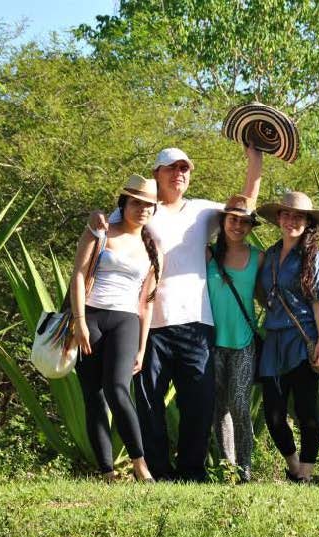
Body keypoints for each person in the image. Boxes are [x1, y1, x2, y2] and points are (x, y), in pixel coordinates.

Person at [91, 145, 262, 481]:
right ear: (157, 173)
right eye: (171, 168)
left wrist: (255, 160)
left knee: (198, 403)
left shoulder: (203, 212)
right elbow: (103, 229)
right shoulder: (142, 209)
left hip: (198, 323)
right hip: (150, 324)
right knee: (150, 403)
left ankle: (192, 471)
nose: (178, 174)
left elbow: (245, 206)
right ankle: (158, 470)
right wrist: (93, 218)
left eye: (184, 169)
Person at [71, 175, 161, 482]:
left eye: (149, 205)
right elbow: (79, 276)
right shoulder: (100, 231)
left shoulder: (153, 249)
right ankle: (107, 471)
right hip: (91, 317)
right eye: (137, 202)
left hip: (125, 321)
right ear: (123, 203)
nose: (142, 209)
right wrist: (80, 320)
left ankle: (140, 464)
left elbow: (146, 304)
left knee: (118, 389)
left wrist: (142, 346)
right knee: (93, 395)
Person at [255, 192, 319, 483]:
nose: (291, 221)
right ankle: (294, 466)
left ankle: (307, 474)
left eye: (298, 216)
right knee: (273, 416)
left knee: (306, 411)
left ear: (308, 222)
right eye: (286, 215)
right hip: (273, 342)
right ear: (278, 218)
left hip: (303, 341)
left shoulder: (314, 257)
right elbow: (264, 294)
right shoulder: (271, 255)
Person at [206, 194, 264, 482]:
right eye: (233, 220)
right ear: (223, 221)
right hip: (212, 342)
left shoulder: (258, 258)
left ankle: (246, 468)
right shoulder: (208, 255)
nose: (238, 226)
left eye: (244, 222)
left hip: (244, 341)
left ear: (251, 226)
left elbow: (269, 296)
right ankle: (227, 468)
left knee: (240, 404)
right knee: (219, 408)